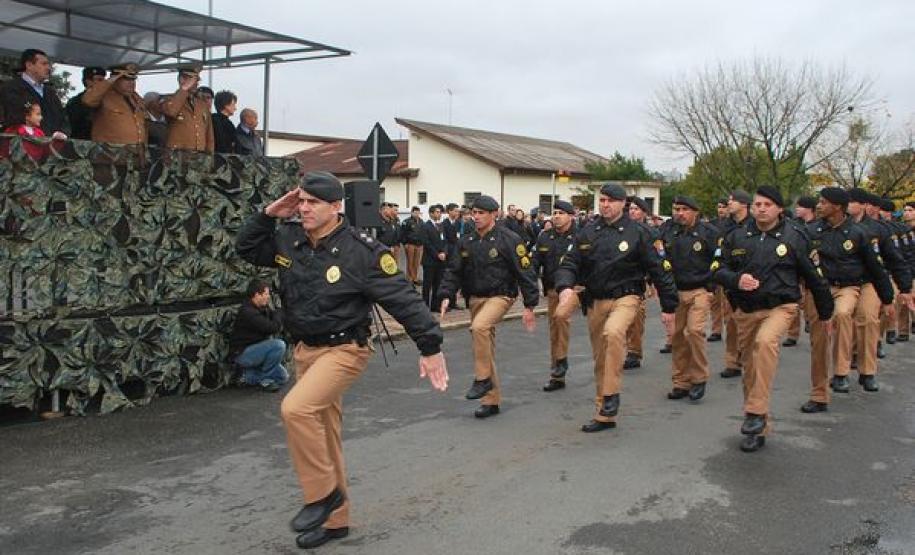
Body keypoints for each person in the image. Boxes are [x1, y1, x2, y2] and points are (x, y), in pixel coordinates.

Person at [236, 171, 448, 549]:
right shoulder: (289, 237)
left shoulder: (362, 251)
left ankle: (322, 496)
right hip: (305, 349)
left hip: (345, 349)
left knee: (296, 410)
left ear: (336, 207)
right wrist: (269, 214)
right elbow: (246, 249)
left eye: (312, 203)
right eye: (300, 201)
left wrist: (430, 346)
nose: (303, 209)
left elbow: (403, 298)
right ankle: (336, 522)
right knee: (323, 432)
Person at [712, 186, 834, 452]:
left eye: (768, 204)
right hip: (746, 310)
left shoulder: (796, 236)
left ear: (779, 208)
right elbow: (717, 269)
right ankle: (758, 425)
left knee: (765, 343)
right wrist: (735, 279)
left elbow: (814, 277)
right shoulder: (736, 236)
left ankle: (755, 412)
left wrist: (825, 313)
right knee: (751, 369)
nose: (761, 209)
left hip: (781, 307)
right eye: (757, 204)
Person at [554, 183, 678, 433]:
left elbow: (659, 270)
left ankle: (611, 396)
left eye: (611, 200)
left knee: (613, 333)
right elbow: (570, 262)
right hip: (596, 299)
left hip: (627, 297)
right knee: (601, 356)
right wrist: (565, 286)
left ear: (623, 203)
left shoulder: (640, 233)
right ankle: (604, 413)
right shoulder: (588, 232)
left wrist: (668, 307)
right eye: (602, 200)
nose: (605, 205)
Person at [438, 195, 538, 418]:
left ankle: (482, 380)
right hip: (475, 298)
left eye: (481, 213)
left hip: (500, 295)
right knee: (484, 347)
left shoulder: (509, 239)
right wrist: (445, 295)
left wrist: (530, 305)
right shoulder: (466, 240)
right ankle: (491, 401)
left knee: (479, 328)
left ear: (494, 214)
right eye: (474, 212)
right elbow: (453, 270)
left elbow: (525, 270)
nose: (476, 217)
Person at [800, 187, 894, 414]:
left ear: (837, 207)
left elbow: (875, 267)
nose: (819, 206)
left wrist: (888, 298)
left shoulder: (859, 233)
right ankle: (819, 394)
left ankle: (844, 373)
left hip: (849, 286)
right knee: (818, 343)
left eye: (823, 202)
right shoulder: (810, 232)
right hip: (818, 290)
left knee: (845, 315)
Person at [847, 189, 912, 381]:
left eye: (852, 201)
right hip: (843, 282)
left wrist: (905, 287)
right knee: (844, 319)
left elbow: (895, 259)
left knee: (868, 319)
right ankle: (843, 366)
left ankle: (867, 370)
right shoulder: (835, 228)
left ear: (865, 205)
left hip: (872, 280)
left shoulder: (880, 230)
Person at [663, 195, 719, 402]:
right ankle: (681, 382)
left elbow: (718, 261)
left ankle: (699, 378)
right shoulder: (668, 232)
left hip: (700, 289)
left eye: (685, 209)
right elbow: (661, 259)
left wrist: (711, 287)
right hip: (676, 290)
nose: (680, 213)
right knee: (677, 336)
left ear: (695, 211)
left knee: (694, 331)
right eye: (677, 209)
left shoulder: (709, 233)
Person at [533, 200, 579, 391]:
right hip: (553, 289)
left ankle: (561, 362)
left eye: (561, 212)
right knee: (555, 329)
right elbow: (535, 262)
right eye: (555, 212)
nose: (557, 216)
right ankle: (557, 373)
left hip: (575, 288)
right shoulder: (545, 237)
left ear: (570, 216)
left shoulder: (581, 236)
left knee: (561, 317)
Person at [228, 279, 288, 391]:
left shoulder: (261, 307)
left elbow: (273, 319)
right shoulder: (248, 312)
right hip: (243, 353)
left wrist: (277, 313)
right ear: (257, 295)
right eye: (266, 294)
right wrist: (279, 312)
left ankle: (246, 376)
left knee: (283, 377)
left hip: (257, 350)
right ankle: (266, 380)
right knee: (279, 345)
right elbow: (272, 327)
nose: (268, 296)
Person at [718, 189, 754, 378]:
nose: (729, 203)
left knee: (749, 324)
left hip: (751, 280)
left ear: (744, 204)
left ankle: (749, 358)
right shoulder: (725, 226)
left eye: (733, 201)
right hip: (731, 280)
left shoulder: (755, 225)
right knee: (731, 323)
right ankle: (733, 362)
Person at [623, 196, 659, 369]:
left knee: (636, 318)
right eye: (630, 209)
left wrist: (652, 283)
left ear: (644, 212)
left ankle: (634, 352)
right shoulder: (622, 229)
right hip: (620, 279)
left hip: (639, 280)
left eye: (636, 209)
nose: (632, 211)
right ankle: (625, 348)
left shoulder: (651, 233)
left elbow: (656, 261)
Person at [0, 49, 68, 136]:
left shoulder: (50, 92)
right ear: (29, 65)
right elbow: (15, 117)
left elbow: (63, 118)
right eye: (44, 64)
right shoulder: (11, 88)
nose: (48, 68)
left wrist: (63, 134)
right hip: (26, 145)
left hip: (54, 146)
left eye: (48, 64)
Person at [81, 63, 147, 146]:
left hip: (135, 152)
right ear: (115, 80)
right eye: (126, 79)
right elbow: (88, 100)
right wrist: (109, 81)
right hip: (111, 152)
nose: (131, 83)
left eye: (133, 80)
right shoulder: (104, 96)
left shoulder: (136, 99)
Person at [782, 195, 819, 347]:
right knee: (793, 300)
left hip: (811, 268)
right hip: (795, 267)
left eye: (800, 206)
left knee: (812, 300)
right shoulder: (794, 225)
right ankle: (792, 333)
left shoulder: (818, 226)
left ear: (809, 209)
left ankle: (811, 322)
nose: (797, 209)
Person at [161, 64, 214, 153]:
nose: (196, 84)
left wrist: (209, 155)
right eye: (192, 80)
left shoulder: (202, 105)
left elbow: (209, 134)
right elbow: (171, 111)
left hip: (199, 157)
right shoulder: (169, 100)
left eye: (196, 80)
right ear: (181, 79)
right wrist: (184, 89)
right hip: (177, 156)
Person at [708, 197, 731, 342]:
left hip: (728, 265)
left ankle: (730, 329)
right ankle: (716, 330)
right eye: (719, 206)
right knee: (714, 301)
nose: (721, 209)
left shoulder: (733, 225)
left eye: (724, 206)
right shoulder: (711, 225)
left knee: (728, 302)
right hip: (714, 265)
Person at [65, 66, 106, 140]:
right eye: (99, 80)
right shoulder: (75, 102)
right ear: (88, 81)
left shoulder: (107, 101)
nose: (104, 84)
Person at [420, 204, 448, 311]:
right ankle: (425, 306)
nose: (439, 214)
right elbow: (427, 243)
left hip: (441, 260)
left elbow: (445, 241)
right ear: (431, 213)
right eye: (436, 212)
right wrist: (437, 254)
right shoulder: (425, 226)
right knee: (427, 284)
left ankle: (435, 305)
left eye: (440, 212)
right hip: (430, 260)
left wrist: (445, 252)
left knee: (438, 283)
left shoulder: (440, 225)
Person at [441, 203, 462, 310]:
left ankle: (453, 302)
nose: (457, 213)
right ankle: (445, 302)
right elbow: (444, 239)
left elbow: (460, 236)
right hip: (448, 252)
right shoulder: (444, 223)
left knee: (456, 278)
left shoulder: (458, 222)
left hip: (457, 252)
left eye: (458, 211)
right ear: (449, 211)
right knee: (446, 278)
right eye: (455, 211)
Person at [401, 206, 424, 285]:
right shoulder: (406, 221)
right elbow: (403, 233)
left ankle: (415, 278)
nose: (417, 214)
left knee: (416, 263)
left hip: (419, 245)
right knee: (410, 262)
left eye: (418, 212)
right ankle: (409, 278)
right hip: (410, 244)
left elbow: (423, 233)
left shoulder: (421, 222)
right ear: (411, 212)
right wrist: (405, 244)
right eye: (415, 212)